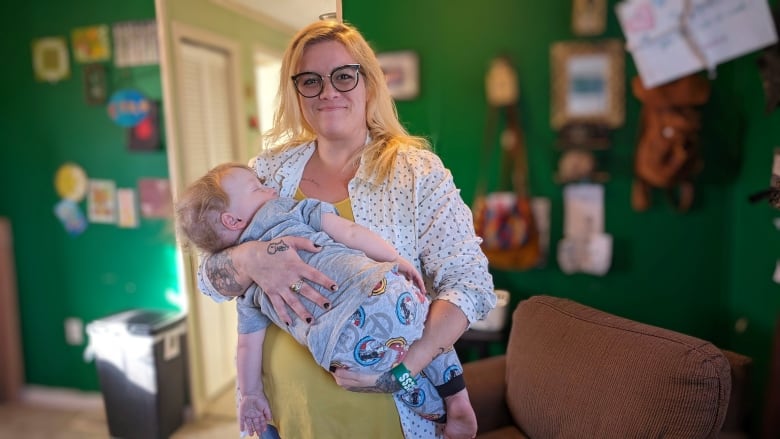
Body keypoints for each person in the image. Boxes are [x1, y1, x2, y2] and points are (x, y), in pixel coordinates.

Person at [195, 19, 495, 439]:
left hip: (388, 416)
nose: (328, 92)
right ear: (295, 92)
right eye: (310, 81)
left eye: (343, 76)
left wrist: (403, 369)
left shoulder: (416, 172)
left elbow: (472, 285)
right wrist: (251, 259)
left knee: (426, 389)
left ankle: (453, 406)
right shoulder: (267, 173)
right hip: (285, 417)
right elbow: (208, 283)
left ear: (368, 83)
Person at [176, 162, 473, 437]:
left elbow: (246, 346)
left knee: (400, 378)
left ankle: (438, 413)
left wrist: (251, 394)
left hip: (347, 349)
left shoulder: (247, 292)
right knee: (426, 330)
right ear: (232, 219)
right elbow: (351, 232)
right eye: (258, 188)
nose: (271, 188)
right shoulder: (282, 209)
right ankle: (457, 399)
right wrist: (395, 259)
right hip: (385, 292)